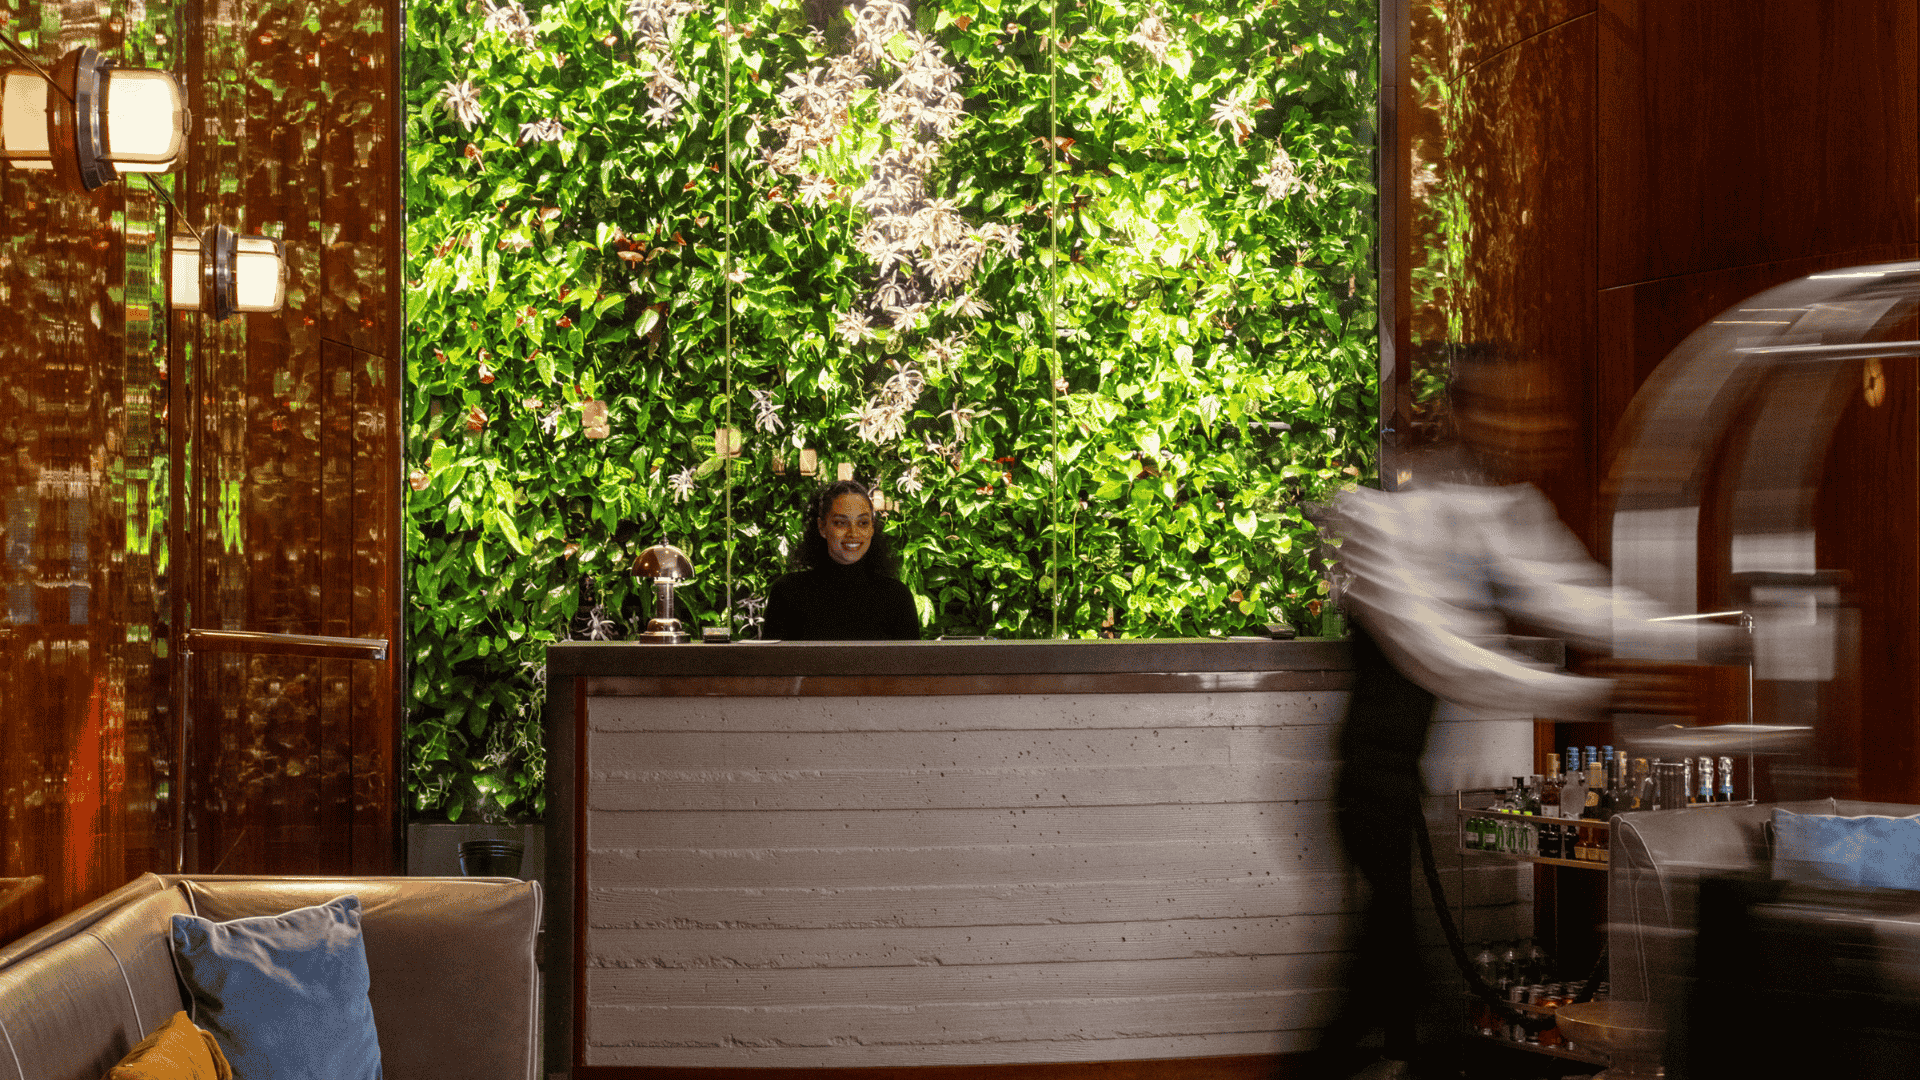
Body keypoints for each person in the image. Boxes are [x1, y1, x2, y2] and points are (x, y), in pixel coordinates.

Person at [1309, 353, 1735, 1080]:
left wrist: (1708, 636)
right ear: (1464, 416)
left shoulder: (1505, 514)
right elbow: (1447, 659)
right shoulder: (1383, 519)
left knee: (1390, 991)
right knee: (1398, 987)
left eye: (1536, 411)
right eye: (1508, 410)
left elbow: (1575, 598)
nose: (1528, 428)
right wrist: (1593, 695)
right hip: (1369, 792)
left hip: (1408, 789)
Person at [763, 479, 921, 641]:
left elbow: (912, 658)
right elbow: (771, 658)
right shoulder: (788, 592)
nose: (853, 533)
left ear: (872, 528)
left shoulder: (896, 597)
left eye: (862, 523)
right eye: (841, 523)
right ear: (822, 527)